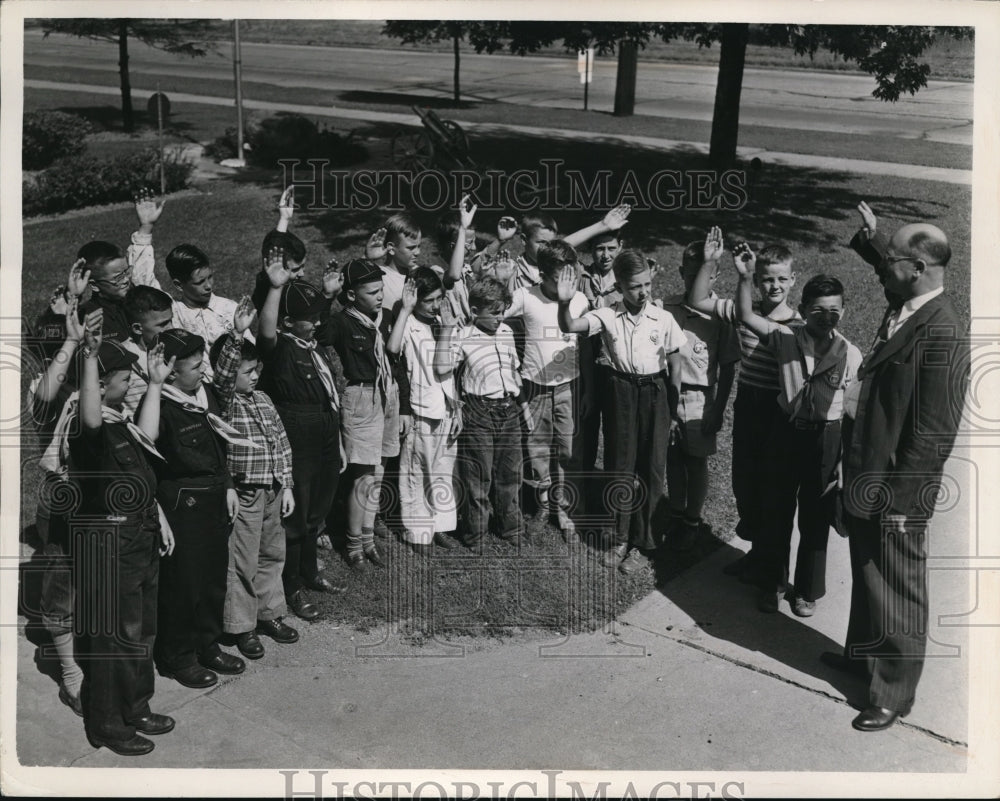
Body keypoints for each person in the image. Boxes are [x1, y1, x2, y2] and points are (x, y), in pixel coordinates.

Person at [823, 210, 967, 732]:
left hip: (897, 488)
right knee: (867, 571)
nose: (885, 269)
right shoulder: (908, 302)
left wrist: (905, 505)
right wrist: (873, 241)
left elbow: (934, 432)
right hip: (867, 466)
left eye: (893, 262)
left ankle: (893, 693)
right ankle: (864, 654)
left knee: (898, 588)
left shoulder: (943, 331)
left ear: (920, 267)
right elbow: (891, 266)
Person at [732, 248, 861, 616]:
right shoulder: (785, 338)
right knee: (776, 510)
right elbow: (744, 315)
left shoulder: (850, 353)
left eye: (834, 309)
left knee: (815, 515)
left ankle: (806, 590)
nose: (826, 316)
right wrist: (744, 277)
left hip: (826, 438)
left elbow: (853, 411)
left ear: (843, 311)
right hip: (785, 434)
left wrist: (843, 462)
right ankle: (771, 583)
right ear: (803, 309)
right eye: (818, 309)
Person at [70, 331, 175, 755]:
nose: (128, 382)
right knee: (114, 638)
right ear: (101, 381)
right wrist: (91, 360)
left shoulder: (119, 421)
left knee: (141, 631)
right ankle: (108, 724)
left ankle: (136, 707)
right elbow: (92, 419)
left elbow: (147, 444)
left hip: (139, 535)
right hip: (112, 540)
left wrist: (153, 384)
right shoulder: (86, 423)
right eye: (124, 376)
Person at [557, 251, 689, 573]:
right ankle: (619, 537)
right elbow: (572, 325)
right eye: (634, 287)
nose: (642, 292)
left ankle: (643, 543)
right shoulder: (606, 315)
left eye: (646, 284)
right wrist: (563, 303)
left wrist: (673, 409)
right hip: (620, 392)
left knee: (652, 468)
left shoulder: (663, 318)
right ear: (619, 286)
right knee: (620, 466)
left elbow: (674, 364)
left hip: (655, 392)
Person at [687, 227, 803, 584]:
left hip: (780, 411)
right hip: (749, 405)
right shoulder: (742, 310)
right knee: (746, 486)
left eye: (782, 279)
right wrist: (712, 262)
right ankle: (757, 557)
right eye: (767, 279)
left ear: (793, 279)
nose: (775, 286)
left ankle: (774, 577)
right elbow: (697, 299)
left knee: (775, 493)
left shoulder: (799, 325)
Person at [136, 328, 244, 688]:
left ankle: (207, 643)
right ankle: (177, 656)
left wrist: (227, 484)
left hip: (214, 496)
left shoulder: (204, 395)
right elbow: (146, 442)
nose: (204, 371)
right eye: (195, 366)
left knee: (212, 578)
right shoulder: (161, 405)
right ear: (171, 371)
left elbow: (219, 446)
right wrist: (154, 385)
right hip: (183, 503)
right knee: (184, 584)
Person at [211, 296, 302, 657]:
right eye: (247, 372)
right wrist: (237, 334)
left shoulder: (263, 399)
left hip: (273, 491)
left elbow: (282, 442)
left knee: (271, 555)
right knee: (242, 562)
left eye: (256, 370)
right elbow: (222, 373)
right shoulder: (225, 401)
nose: (255, 376)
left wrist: (288, 485)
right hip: (246, 493)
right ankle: (241, 626)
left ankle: (269, 613)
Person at [257, 256, 347, 615]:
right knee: (297, 513)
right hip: (298, 433)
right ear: (289, 322)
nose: (319, 321)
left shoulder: (314, 346)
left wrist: (337, 441)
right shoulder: (280, 348)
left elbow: (329, 398)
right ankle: (291, 584)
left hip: (324, 431)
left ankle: (311, 572)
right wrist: (276, 288)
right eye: (311, 317)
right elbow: (265, 331)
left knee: (317, 509)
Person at [28, 295, 103, 718]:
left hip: (103, 501)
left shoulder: (104, 374)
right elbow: (42, 397)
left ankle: (90, 656)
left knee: (95, 586)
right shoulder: (51, 386)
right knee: (62, 588)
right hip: (63, 501)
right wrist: (71, 342)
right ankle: (71, 675)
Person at [316, 259, 402, 571]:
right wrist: (326, 296)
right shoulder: (343, 322)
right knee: (362, 476)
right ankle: (353, 545)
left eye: (381, 290)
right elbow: (321, 334)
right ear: (352, 296)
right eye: (372, 292)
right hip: (362, 398)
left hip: (387, 393)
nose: (380, 296)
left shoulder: (384, 317)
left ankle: (368, 538)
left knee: (378, 471)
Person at [506, 240, 593, 538]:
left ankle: (564, 508)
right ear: (541, 275)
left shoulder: (580, 300)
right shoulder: (525, 297)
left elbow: (588, 348)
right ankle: (544, 504)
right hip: (534, 388)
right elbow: (494, 312)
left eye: (572, 276)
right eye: (560, 279)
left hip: (568, 386)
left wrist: (587, 389)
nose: (567, 285)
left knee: (568, 450)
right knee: (538, 448)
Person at [434, 275, 528, 548]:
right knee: (479, 475)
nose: (500, 318)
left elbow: (514, 375)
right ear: (475, 312)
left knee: (510, 473)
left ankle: (511, 528)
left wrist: (523, 406)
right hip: (479, 412)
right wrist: (448, 329)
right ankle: (476, 534)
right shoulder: (464, 336)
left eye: (502, 312)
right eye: (494, 313)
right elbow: (442, 369)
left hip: (508, 409)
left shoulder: (507, 333)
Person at [662, 240, 740, 552]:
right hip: (667, 394)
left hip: (699, 398)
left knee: (695, 462)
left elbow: (728, 368)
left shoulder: (721, 316)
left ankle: (692, 520)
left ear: (715, 276)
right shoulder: (667, 307)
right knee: (672, 458)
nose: (695, 282)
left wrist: (718, 410)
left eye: (703, 276)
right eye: (690, 275)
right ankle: (676, 512)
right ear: (681, 272)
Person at [386, 268, 461, 553]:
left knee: (443, 470)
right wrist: (404, 311)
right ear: (414, 300)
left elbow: (450, 373)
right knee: (417, 471)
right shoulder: (409, 325)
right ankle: (418, 532)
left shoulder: (442, 321)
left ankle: (439, 525)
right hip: (421, 410)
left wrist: (457, 409)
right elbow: (393, 348)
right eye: (428, 300)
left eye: (439, 298)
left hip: (446, 408)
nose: (435, 306)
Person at [34, 190, 163, 351]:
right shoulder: (90, 315)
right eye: (117, 277)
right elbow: (48, 344)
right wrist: (69, 300)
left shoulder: (138, 298)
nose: (126, 280)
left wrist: (146, 227)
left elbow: (144, 269)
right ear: (94, 285)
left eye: (126, 272)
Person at [165, 243, 240, 380]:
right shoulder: (174, 312)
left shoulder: (229, 308)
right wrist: (146, 231)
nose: (208, 286)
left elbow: (251, 351)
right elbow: (145, 281)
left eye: (210, 277)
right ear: (179, 285)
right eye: (200, 282)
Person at [121, 285, 175, 417]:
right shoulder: (124, 359)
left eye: (171, 320)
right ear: (138, 328)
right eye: (163, 324)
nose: (171, 328)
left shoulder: (175, 345)